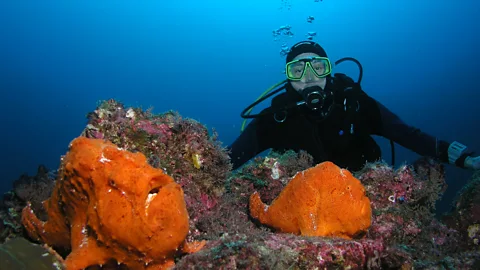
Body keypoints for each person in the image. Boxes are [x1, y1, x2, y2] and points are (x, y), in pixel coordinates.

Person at [228, 40, 480, 172]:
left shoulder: (353, 102)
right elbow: (229, 159)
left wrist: (456, 156)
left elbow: (406, 133)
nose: (308, 76)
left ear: (328, 71)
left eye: (317, 66)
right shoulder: (275, 118)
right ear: (288, 77)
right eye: (297, 69)